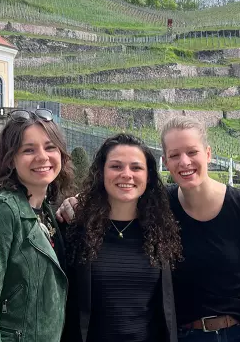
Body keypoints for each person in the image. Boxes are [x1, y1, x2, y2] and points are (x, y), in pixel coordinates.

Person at [57, 117, 240, 341]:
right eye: (174, 155)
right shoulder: (162, 206)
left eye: (192, 152)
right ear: (165, 162)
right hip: (186, 335)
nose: (184, 162)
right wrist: (76, 202)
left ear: (208, 154)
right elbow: (121, 191)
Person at [0, 109, 73, 342]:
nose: (42, 157)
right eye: (28, 150)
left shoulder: (47, 210)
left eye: (50, 147)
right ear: (11, 159)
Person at [62, 133, 182, 342]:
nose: (126, 174)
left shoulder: (162, 230)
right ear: (101, 173)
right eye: (116, 166)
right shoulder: (75, 228)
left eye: (136, 168)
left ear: (148, 176)